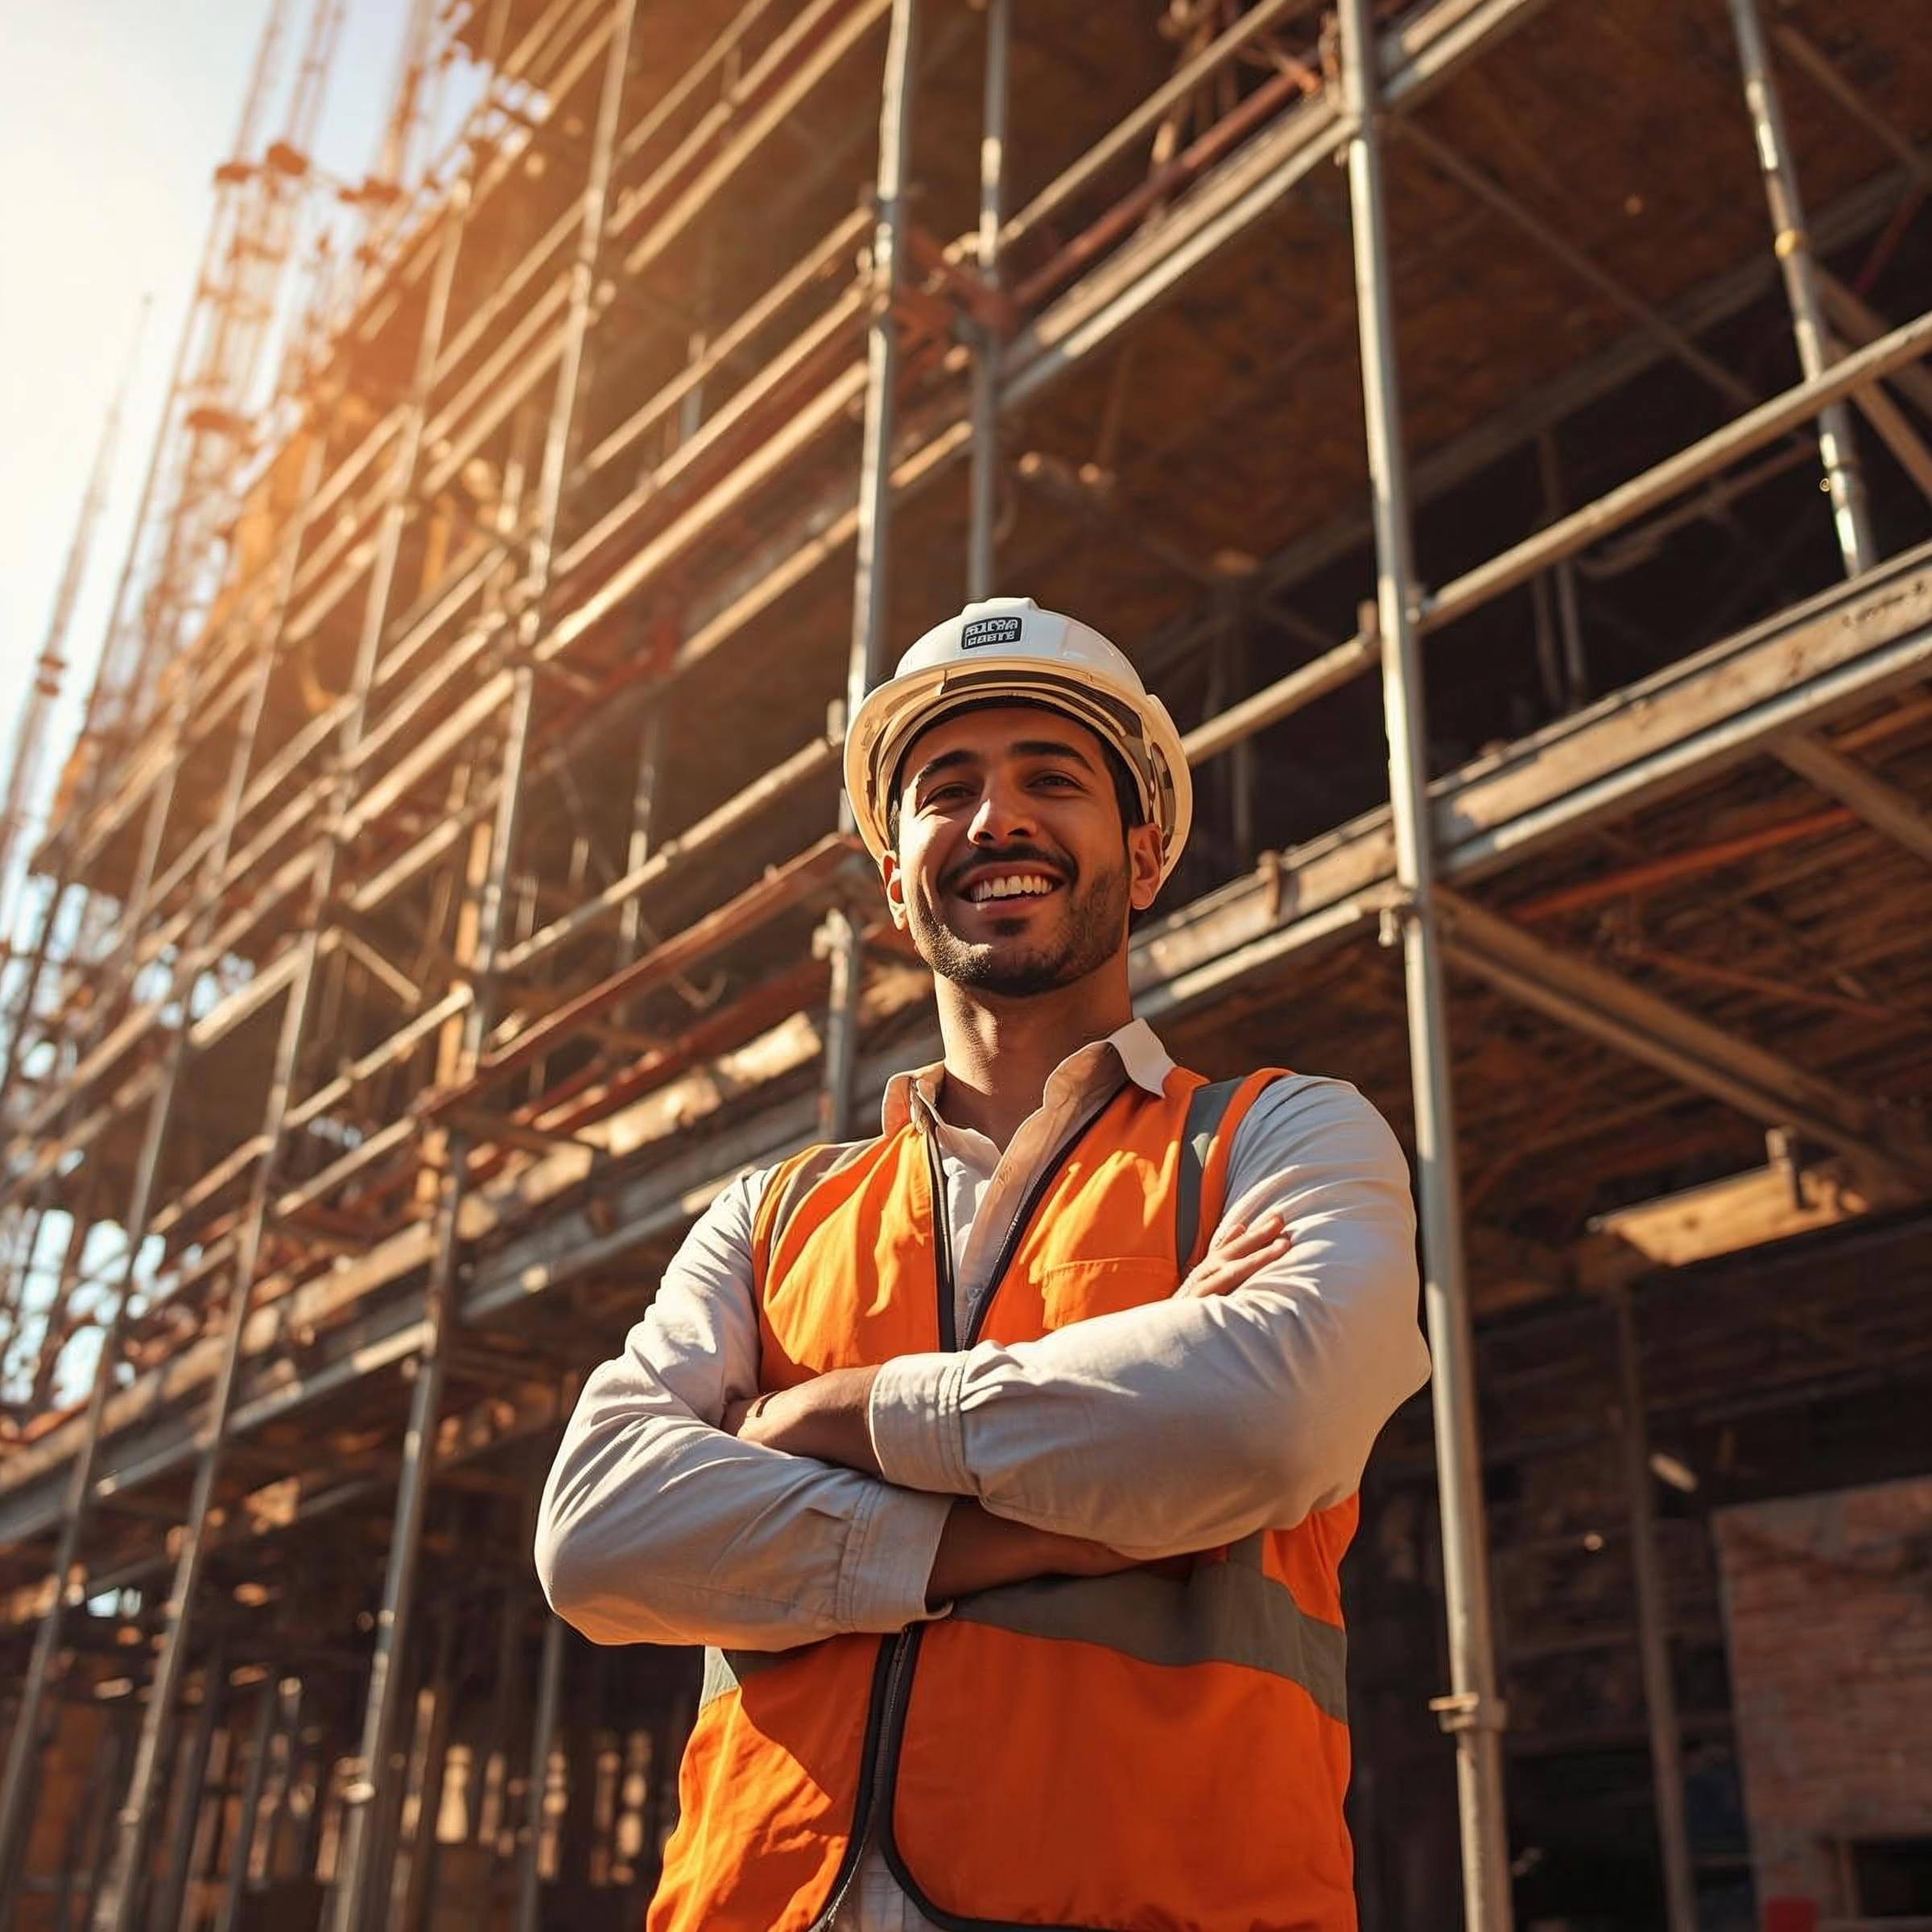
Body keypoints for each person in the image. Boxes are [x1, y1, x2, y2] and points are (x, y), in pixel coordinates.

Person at [535, 597, 1431, 1932]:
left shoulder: (1280, 1136)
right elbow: (597, 1533)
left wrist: (833, 1415)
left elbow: (1264, 1414)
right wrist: (1013, 1525)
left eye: (1050, 780)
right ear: (895, 881)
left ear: (1142, 855)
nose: (996, 821)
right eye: (945, 789)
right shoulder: (772, 1211)